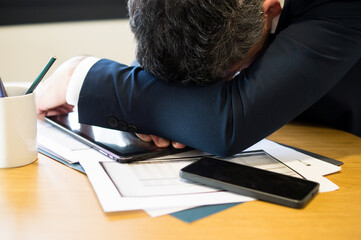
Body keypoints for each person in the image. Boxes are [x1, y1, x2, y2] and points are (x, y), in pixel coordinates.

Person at [36, 0, 361, 157]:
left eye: (229, 72)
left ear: (270, 10)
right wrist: (162, 112)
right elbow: (169, 50)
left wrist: (78, 76)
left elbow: (228, 124)